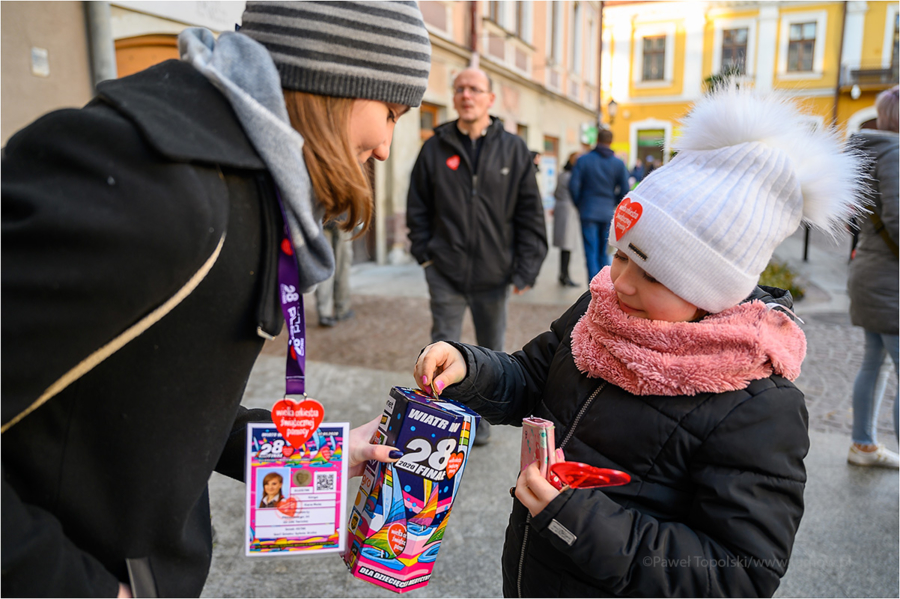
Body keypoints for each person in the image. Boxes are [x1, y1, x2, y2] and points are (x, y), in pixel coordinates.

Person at [1, 2, 430, 596]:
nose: (386, 146)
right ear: (334, 78)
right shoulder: (160, 182)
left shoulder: (248, 186)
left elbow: (158, 393)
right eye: (390, 111)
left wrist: (320, 456)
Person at [413, 87, 865, 597]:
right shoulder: (600, 309)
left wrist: (573, 520)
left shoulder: (756, 404)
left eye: (651, 273)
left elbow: (740, 572)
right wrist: (470, 370)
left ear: (711, 288)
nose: (620, 280)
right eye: (622, 254)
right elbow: (532, 376)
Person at [406, 67, 548, 445]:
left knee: (489, 354)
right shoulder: (434, 147)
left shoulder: (513, 149)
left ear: (490, 98)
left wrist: (525, 269)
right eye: (460, 89)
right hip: (445, 271)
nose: (466, 95)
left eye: (474, 89)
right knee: (441, 350)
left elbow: (529, 211)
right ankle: (443, 425)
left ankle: (480, 424)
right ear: (454, 98)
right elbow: (417, 206)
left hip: (494, 274)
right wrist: (426, 257)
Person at [846, 85, 899, 468]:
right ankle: (862, 444)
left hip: (870, 270)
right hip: (889, 281)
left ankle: (863, 444)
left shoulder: (867, 152)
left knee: (872, 360)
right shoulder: (894, 153)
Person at [569, 128, 630, 282]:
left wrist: (580, 204)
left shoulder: (584, 160)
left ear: (597, 140)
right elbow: (625, 190)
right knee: (604, 252)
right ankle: (605, 287)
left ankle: (592, 289)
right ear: (610, 142)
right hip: (607, 211)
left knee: (590, 250)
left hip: (588, 210)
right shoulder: (617, 163)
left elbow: (573, 186)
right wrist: (612, 201)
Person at [316, 219, 355, 327]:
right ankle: (342, 309)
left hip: (322, 219)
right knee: (342, 267)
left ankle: (324, 313)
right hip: (343, 219)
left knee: (324, 266)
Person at [552, 152, 582, 287]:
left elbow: (556, 192)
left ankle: (563, 274)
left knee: (565, 245)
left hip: (561, 209)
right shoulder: (572, 177)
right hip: (568, 211)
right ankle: (565, 276)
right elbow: (577, 193)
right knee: (567, 244)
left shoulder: (562, 174)